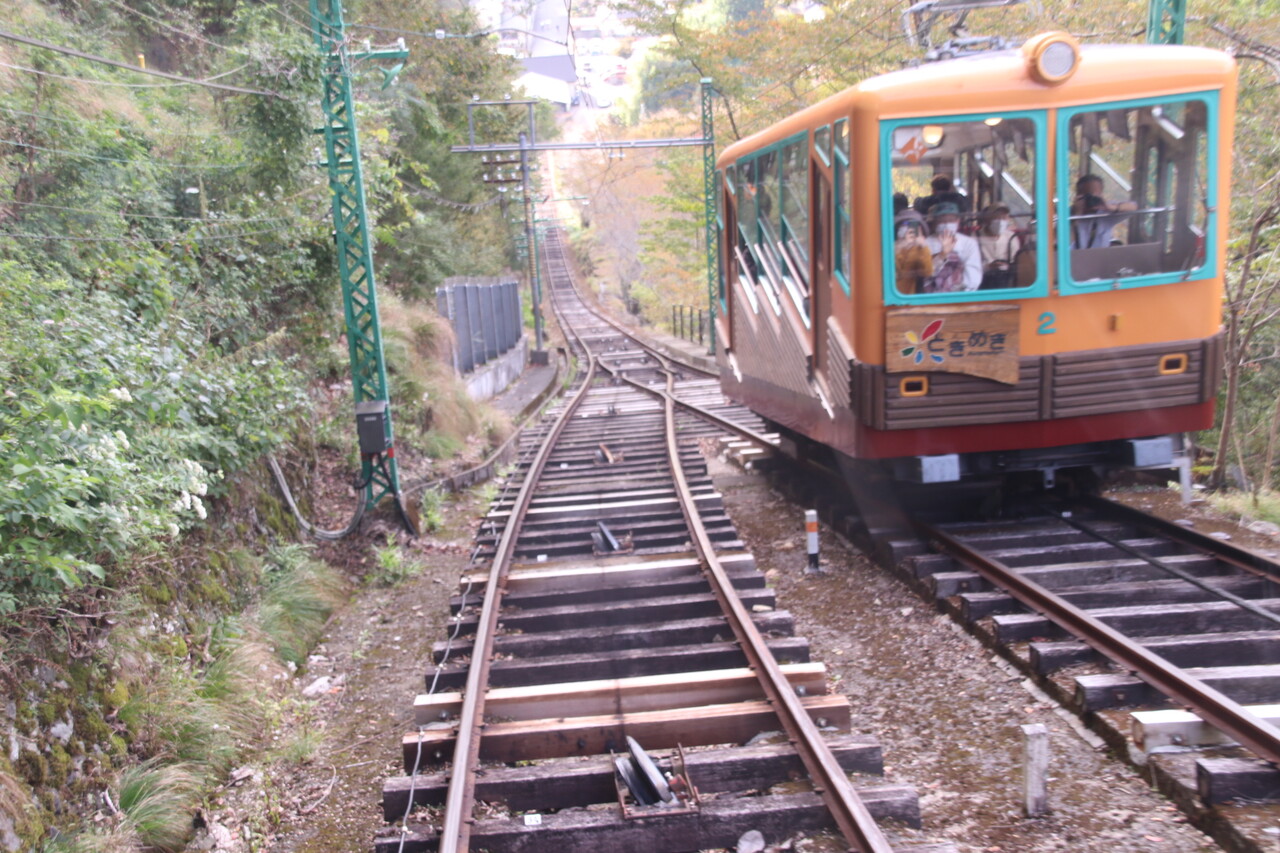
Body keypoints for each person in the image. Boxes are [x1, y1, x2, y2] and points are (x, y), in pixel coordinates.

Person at [925, 202, 982, 292]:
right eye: (942, 220)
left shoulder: (969, 243)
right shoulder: (926, 243)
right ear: (935, 222)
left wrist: (960, 295)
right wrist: (942, 254)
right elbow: (926, 275)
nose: (947, 224)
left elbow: (973, 276)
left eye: (951, 220)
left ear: (958, 221)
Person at [1070, 174, 1137, 249]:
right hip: (1074, 255)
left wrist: (1110, 207)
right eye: (1087, 196)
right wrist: (1075, 216)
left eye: (1095, 196)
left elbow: (1133, 207)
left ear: (1101, 194)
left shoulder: (1104, 212)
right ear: (1078, 195)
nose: (1090, 200)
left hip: (1101, 255)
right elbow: (1063, 243)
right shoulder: (1068, 214)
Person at [978, 204, 1022, 288]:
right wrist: (988, 266)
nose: (1000, 222)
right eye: (997, 217)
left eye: (1004, 218)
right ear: (987, 219)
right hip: (983, 279)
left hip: (1006, 279)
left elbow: (1016, 262)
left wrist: (1007, 266)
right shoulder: (976, 237)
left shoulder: (1011, 237)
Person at [893, 209, 933, 293]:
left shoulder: (921, 249)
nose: (908, 228)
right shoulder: (890, 247)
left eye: (912, 225)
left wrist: (923, 245)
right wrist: (901, 245)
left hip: (911, 296)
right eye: (904, 224)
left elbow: (927, 272)